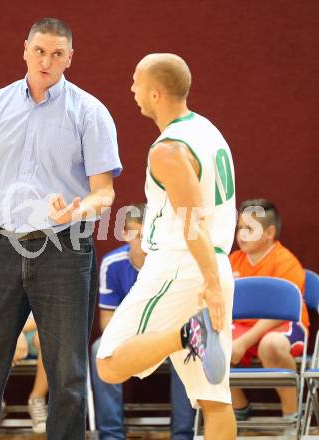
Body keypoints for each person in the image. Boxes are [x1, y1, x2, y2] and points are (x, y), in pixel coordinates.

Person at [0, 17, 121, 440]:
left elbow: (104, 192)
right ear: (25, 50)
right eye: (40, 50)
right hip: (0, 248)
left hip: (65, 251)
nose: (47, 60)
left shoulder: (90, 112)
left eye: (57, 53)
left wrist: (79, 209)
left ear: (70, 58)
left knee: (67, 374)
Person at [96, 53, 237, 440]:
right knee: (215, 402)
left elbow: (192, 223)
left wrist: (206, 279)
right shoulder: (207, 130)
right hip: (213, 266)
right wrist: (213, 279)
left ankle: (187, 333)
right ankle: (192, 330)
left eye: (136, 82)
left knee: (107, 362)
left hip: (183, 266)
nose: (131, 89)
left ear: (155, 93)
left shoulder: (168, 150)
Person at [90, 203, 196, 440]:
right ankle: (111, 435)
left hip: (168, 335)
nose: (145, 243)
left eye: (150, 235)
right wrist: (136, 338)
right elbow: (107, 322)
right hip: (130, 336)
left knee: (187, 348)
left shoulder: (172, 263)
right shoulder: (112, 264)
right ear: (126, 234)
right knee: (100, 349)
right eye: (139, 236)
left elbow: (184, 314)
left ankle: (182, 434)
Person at [229, 198, 308, 424]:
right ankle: (239, 407)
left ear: (269, 232)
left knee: (271, 344)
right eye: (239, 228)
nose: (241, 235)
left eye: (249, 229)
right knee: (206, 343)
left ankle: (291, 415)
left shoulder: (286, 263)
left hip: (281, 327)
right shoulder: (232, 261)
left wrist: (244, 342)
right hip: (243, 327)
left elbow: (278, 315)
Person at [0, 229, 49, 434]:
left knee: (49, 338)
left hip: (31, 331)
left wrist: (17, 331)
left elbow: (44, 315)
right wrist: (11, 334)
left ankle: (37, 398)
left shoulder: (35, 265)